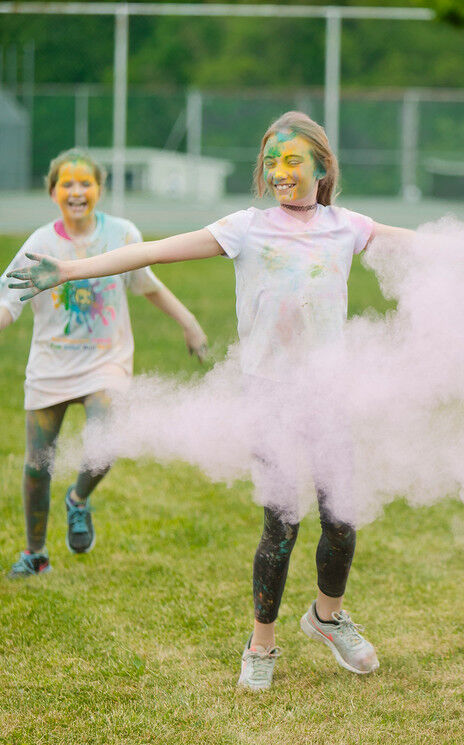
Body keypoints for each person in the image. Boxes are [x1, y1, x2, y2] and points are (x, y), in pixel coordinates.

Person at [7, 114, 414, 690]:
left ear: (322, 167)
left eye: (292, 160)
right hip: (269, 396)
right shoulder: (246, 228)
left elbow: (425, 246)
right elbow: (153, 252)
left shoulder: (347, 227)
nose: (279, 172)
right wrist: (70, 269)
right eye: (270, 161)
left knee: (342, 520)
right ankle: (261, 644)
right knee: (282, 525)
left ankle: (327, 616)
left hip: (328, 394)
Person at [1, 148, 208, 578]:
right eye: (67, 183)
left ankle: (77, 499)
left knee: (106, 441)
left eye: (86, 182)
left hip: (105, 363)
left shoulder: (122, 234)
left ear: (100, 188)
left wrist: (188, 322)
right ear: (53, 191)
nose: (77, 191)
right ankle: (36, 555)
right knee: (37, 466)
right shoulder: (39, 244)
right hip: (51, 367)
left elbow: (149, 284)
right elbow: (8, 301)